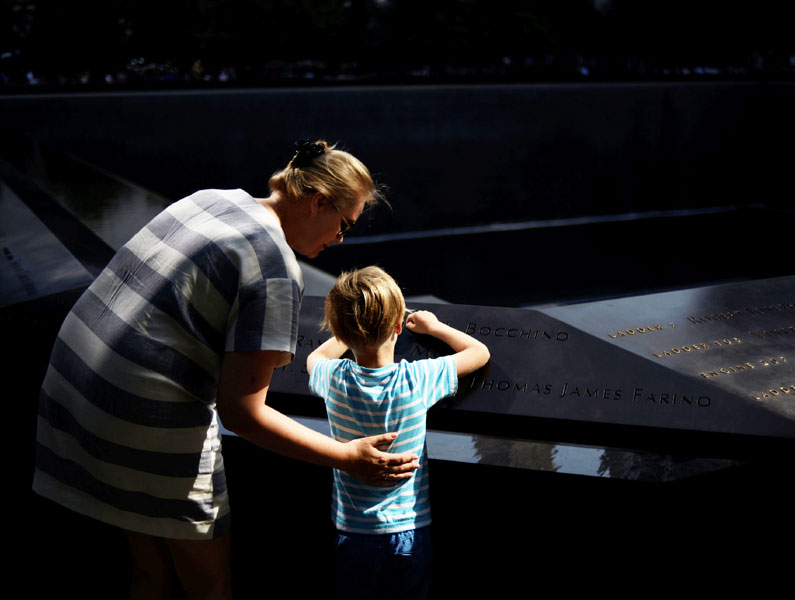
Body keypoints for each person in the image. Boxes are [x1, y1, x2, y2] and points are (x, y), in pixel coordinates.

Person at [32, 140, 419, 599]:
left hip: (77, 388)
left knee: (149, 568)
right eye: (344, 225)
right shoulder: (275, 268)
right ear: (318, 202)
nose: (338, 240)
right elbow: (242, 413)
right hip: (143, 417)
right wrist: (347, 457)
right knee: (210, 582)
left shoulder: (212, 199)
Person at [307, 266, 490, 599]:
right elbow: (479, 353)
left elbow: (315, 356)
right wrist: (434, 327)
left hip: (351, 532)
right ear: (396, 327)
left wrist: (347, 330)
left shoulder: (331, 377)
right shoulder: (417, 379)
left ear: (341, 332)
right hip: (408, 530)